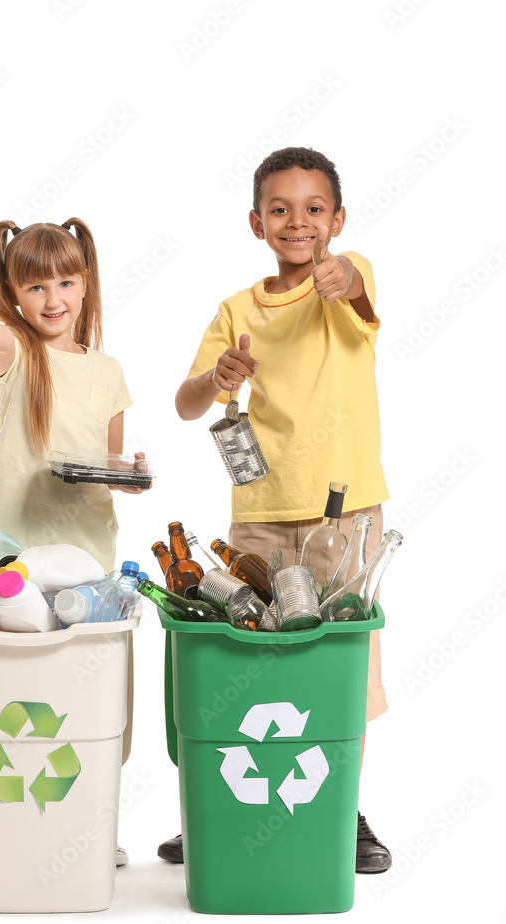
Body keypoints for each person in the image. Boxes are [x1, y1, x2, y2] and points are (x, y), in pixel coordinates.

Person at [160, 147, 391, 874]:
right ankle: (225, 803)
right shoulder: (237, 309)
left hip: (343, 509)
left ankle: (340, 808)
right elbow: (188, 402)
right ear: (256, 222)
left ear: (337, 220)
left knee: (333, 659)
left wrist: (342, 274)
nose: (298, 222)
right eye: (281, 209)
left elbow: (355, 291)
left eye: (314, 209)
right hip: (259, 511)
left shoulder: (346, 277)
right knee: (248, 660)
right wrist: (216, 374)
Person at [0, 218, 144, 867]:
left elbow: (109, 465)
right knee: (15, 699)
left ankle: (89, 831)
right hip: (14, 557)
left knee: (91, 704)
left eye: (66, 281)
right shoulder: (15, 353)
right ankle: (13, 833)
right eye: (35, 286)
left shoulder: (109, 371)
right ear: (12, 294)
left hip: (88, 558)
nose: (53, 298)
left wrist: (131, 474)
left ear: (86, 283)